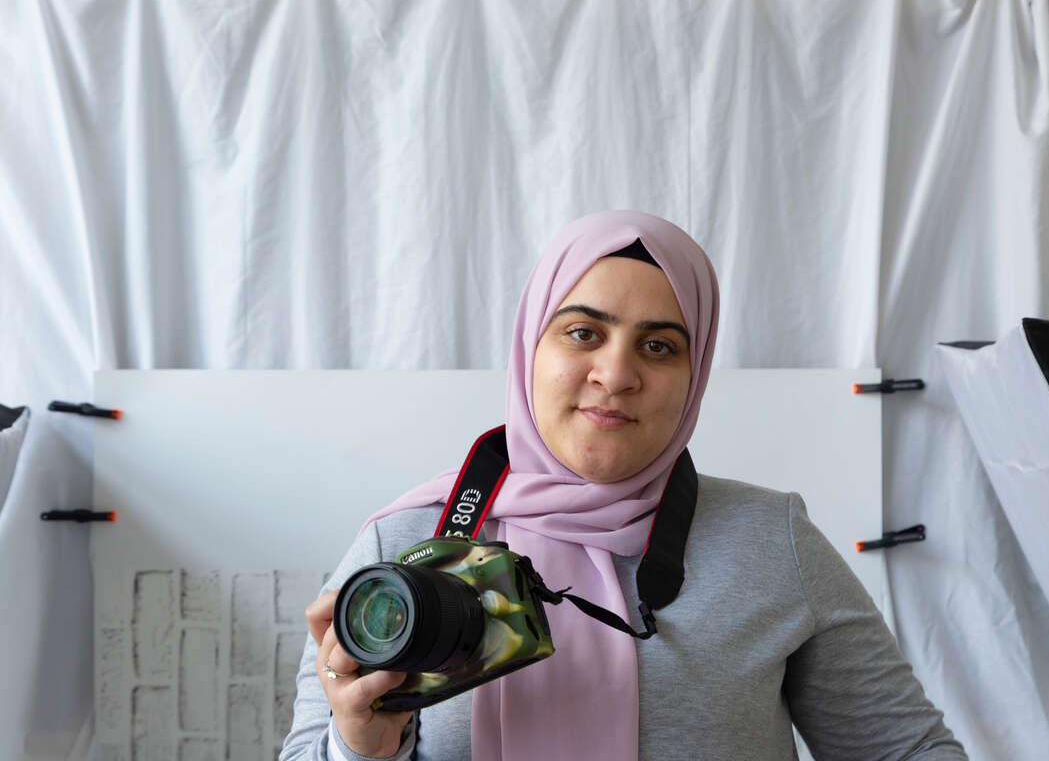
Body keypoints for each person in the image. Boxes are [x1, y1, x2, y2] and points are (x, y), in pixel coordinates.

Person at [280, 211, 967, 761]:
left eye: (660, 345)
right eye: (583, 333)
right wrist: (359, 749)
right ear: (529, 348)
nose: (616, 373)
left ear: (694, 377)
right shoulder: (405, 547)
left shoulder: (771, 541)